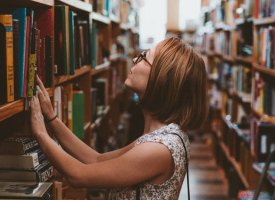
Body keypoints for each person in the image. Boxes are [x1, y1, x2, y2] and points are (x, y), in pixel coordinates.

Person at [30, 37, 208, 199]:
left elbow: (77, 175)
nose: (134, 60)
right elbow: (96, 159)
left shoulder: (158, 148)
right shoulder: (162, 136)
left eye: (144, 57)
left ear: (162, 78)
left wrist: (40, 133)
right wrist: (52, 118)